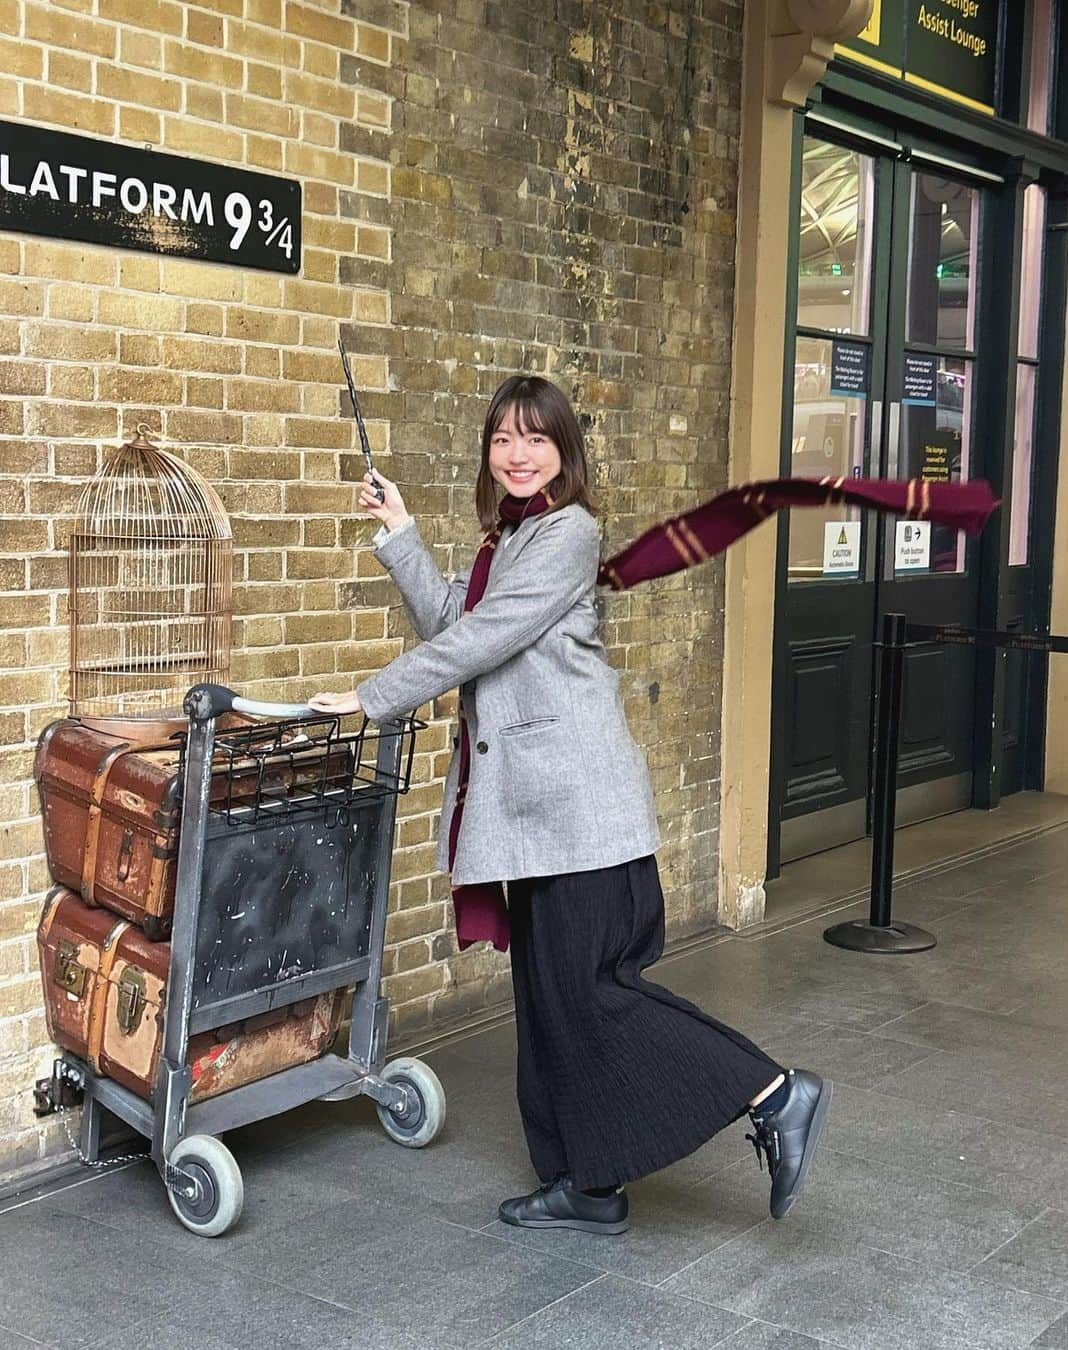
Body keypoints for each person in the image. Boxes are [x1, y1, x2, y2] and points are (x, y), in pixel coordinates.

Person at [309, 374, 831, 1235]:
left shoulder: (568, 534)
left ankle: (775, 1091)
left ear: (564, 452)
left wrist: (372, 699)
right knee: (549, 1006)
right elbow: (458, 622)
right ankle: (586, 1185)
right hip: (530, 822)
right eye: (502, 440)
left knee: (594, 995)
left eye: (535, 439)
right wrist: (400, 534)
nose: (516, 455)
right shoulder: (507, 540)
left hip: (581, 816)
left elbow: (482, 640)